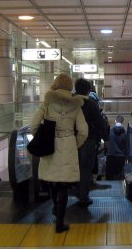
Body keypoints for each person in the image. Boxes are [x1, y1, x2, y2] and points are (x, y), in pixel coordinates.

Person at [30, 73, 87, 233]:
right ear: (70, 87)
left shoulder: (47, 102)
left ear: (55, 84)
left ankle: (56, 209)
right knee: (64, 184)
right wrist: (74, 144)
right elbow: (83, 131)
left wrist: (42, 138)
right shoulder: (76, 105)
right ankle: (60, 222)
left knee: (53, 180)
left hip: (50, 144)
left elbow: (33, 125)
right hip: (68, 144)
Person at [74, 78, 109, 207]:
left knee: (75, 167)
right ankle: (83, 196)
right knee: (86, 169)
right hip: (88, 140)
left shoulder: (70, 102)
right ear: (89, 90)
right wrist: (106, 139)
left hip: (71, 140)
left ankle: (76, 191)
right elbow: (100, 123)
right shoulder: (91, 104)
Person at [105, 115, 127, 180]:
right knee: (119, 178)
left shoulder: (110, 131)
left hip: (110, 155)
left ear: (115, 121)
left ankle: (109, 189)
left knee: (109, 177)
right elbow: (126, 145)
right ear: (122, 122)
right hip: (120, 156)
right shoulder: (125, 133)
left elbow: (106, 143)